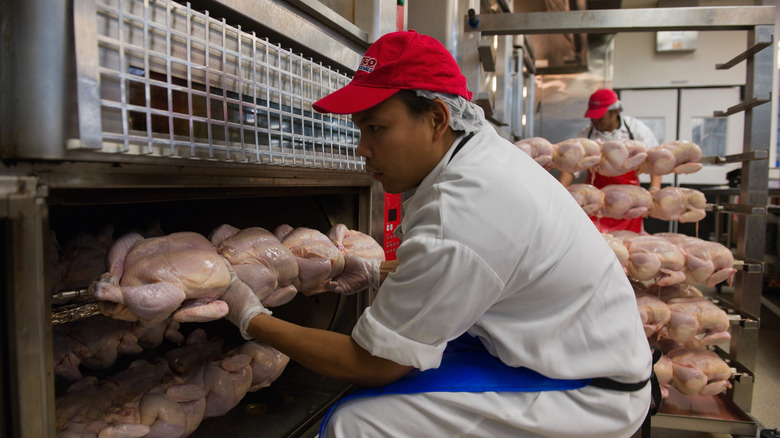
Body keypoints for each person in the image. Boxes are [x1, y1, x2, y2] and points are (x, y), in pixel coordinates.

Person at [221, 30, 652, 438]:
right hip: (561, 352)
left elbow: (372, 364)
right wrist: (378, 272)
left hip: (589, 393)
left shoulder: (464, 210)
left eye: (376, 128)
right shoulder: (476, 155)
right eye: (359, 129)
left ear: (436, 118)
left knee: (355, 424)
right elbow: (471, 265)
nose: (361, 148)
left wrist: (251, 317)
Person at [558, 88, 662, 233]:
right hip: (596, 202)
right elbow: (571, 169)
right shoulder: (586, 134)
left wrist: (654, 190)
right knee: (595, 241)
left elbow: (655, 162)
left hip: (629, 200)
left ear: (615, 112)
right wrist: (559, 191)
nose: (595, 121)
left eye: (600, 117)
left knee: (628, 246)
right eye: (592, 117)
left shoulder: (637, 130)